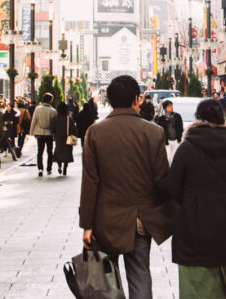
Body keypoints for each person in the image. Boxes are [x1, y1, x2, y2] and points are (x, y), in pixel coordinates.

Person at [79, 75, 175, 298]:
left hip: (105, 219)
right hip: (140, 219)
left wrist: (87, 224)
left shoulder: (95, 132)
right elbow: (162, 179)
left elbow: (90, 182)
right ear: (136, 99)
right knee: (140, 273)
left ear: (110, 100)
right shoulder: (153, 132)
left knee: (105, 279)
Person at [167, 98, 226, 299]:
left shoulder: (186, 148)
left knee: (195, 288)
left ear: (198, 118)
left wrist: (190, 205)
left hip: (193, 232)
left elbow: (173, 189)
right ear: (223, 117)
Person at [29, 92, 57, 177]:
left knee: (40, 151)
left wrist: (31, 132)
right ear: (50, 100)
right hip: (49, 134)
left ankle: (40, 168)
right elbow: (55, 124)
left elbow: (34, 121)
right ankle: (49, 168)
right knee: (50, 151)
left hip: (39, 133)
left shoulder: (37, 109)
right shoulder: (53, 111)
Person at [52, 100, 76, 175]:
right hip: (67, 137)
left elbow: (52, 129)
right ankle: (65, 168)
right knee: (67, 152)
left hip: (58, 138)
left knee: (58, 152)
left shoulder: (55, 119)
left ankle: (59, 166)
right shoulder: (69, 119)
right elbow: (74, 129)